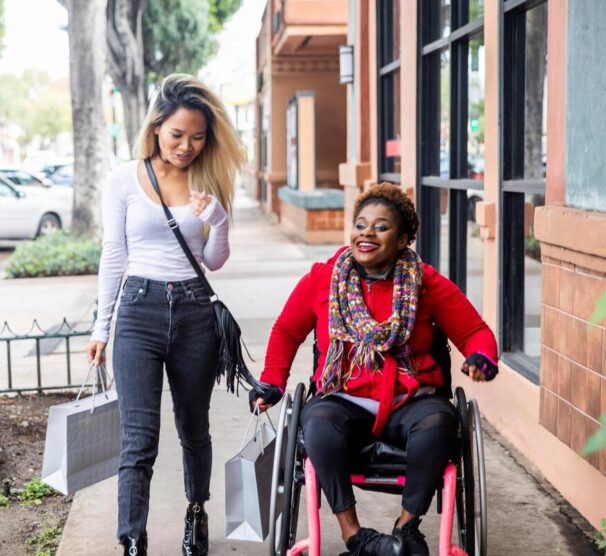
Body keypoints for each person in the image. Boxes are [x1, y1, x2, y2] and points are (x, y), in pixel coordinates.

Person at [251, 183, 498, 556]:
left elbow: (475, 332)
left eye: (381, 227)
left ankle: (406, 529)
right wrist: (272, 381)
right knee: (316, 424)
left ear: (402, 239)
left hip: (410, 400)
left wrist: (481, 357)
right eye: (360, 224)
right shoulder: (323, 279)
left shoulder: (425, 282)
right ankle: (356, 537)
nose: (366, 232)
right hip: (343, 397)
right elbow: (286, 330)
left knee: (439, 424)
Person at [86, 74, 245, 556]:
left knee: (194, 427)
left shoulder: (209, 178)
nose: (187, 146)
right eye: (178, 135)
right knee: (138, 438)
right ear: (156, 127)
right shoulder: (123, 178)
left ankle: (196, 513)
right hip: (138, 312)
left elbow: (214, 261)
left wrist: (217, 220)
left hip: (195, 312)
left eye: (198, 137)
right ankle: (132, 536)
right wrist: (101, 326)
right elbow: (114, 254)